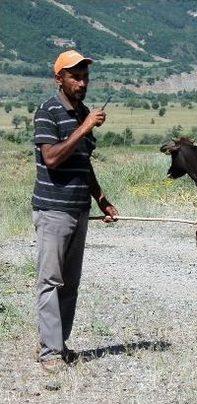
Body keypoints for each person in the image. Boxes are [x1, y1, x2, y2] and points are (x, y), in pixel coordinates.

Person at [32, 50, 119, 372]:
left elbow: (83, 163)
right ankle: (49, 353)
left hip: (79, 209)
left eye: (85, 77)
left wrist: (102, 199)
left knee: (70, 282)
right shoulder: (48, 111)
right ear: (60, 78)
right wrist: (83, 128)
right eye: (75, 77)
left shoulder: (82, 112)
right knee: (50, 281)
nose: (82, 83)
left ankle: (58, 344)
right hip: (53, 210)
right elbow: (52, 158)